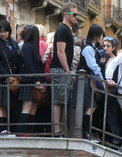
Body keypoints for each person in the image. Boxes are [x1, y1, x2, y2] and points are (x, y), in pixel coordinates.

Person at [49, 2, 78, 135]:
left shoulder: (66, 30)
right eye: (74, 14)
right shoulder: (62, 29)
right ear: (66, 14)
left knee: (61, 100)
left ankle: (59, 129)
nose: (76, 17)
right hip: (59, 69)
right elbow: (60, 51)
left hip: (62, 69)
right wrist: (67, 70)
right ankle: (57, 130)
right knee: (58, 100)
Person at [0, 19, 21, 132]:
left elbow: (18, 61)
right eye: (0, 31)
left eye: (5, 31)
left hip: (13, 80)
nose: (3, 34)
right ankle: (2, 130)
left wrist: (16, 76)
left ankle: (9, 129)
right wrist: (6, 75)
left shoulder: (14, 44)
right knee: (0, 105)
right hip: (0, 79)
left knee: (10, 105)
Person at [75, 24, 105, 140]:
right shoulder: (88, 48)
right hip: (85, 79)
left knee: (89, 106)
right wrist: (102, 81)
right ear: (97, 35)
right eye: (101, 36)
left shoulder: (91, 48)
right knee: (90, 106)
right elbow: (93, 66)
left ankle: (85, 133)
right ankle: (84, 133)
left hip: (87, 80)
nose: (102, 39)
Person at [17, 24, 46, 134]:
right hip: (28, 81)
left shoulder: (30, 47)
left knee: (33, 108)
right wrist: (36, 80)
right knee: (27, 107)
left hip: (32, 80)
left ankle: (29, 132)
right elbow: (28, 65)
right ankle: (23, 132)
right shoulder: (28, 47)